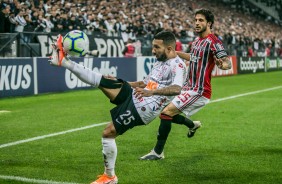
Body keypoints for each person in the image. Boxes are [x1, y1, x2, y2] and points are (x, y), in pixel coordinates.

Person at [49, 31, 187, 184]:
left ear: (169, 48)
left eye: (157, 47)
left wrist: (152, 91)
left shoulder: (178, 65)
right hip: (137, 95)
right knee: (104, 81)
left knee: (108, 132)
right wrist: (122, 83)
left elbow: (177, 88)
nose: (153, 50)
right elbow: (143, 83)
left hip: (144, 109)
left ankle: (110, 177)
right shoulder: (159, 61)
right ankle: (64, 61)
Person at [140, 8, 232, 160]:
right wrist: (176, 53)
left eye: (201, 20)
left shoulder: (213, 42)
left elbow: (226, 61)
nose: (197, 23)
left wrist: (223, 65)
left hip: (200, 90)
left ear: (209, 23)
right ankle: (192, 125)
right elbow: (194, 57)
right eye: (195, 20)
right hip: (188, 87)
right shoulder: (196, 42)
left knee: (166, 113)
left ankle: (157, 152)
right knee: (164, 111)